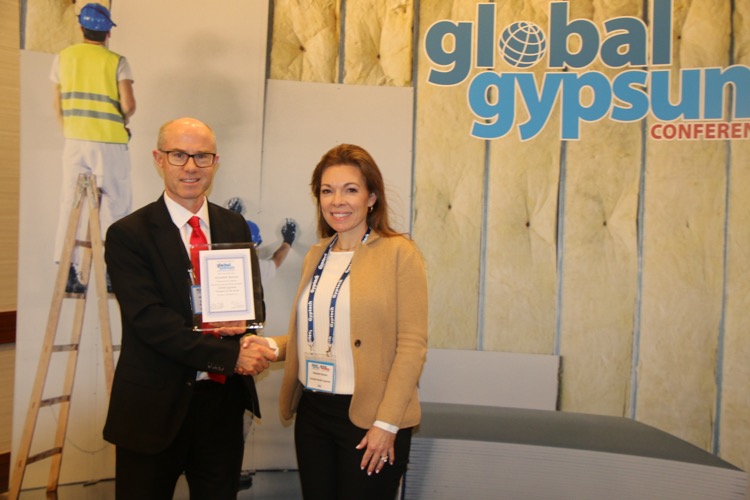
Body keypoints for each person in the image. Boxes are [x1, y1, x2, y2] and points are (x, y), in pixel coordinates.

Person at [103, 117, 277, 499]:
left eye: (202, 156)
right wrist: (230, 356)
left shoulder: (234, 226)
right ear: (158, 159)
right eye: (179, 155)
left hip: (221, 406)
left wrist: (245, 330)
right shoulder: (128, 235)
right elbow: (150, 321)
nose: (191, 167)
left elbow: (253, 300)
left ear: (215, 162)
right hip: (153, 409)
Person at [255, 144, 428, 499]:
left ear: (371, 197)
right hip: (315, 413)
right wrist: (270, 346)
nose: (337, 201)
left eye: (350, 189)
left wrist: (387, 423)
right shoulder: (317, 254)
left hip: (372, 417)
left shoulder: (399, 253)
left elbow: (412, 346)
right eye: (327, 191)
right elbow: (315, 331)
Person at [50, 3, 136, 293]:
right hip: (109, 143)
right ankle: (112, 271)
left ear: (81, 28)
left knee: (70, 204)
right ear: (108, 33)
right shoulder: (117, 61)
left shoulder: (63, 58)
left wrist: (70, 131)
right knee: (116, 204)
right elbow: (128, 105)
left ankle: (69, 270)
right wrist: (123, 121)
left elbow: (57, 105)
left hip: (74, 142)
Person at [225, 196, 298, 284]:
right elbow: (276, 261)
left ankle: (233, 218)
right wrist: (288, 241)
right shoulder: (256, 268)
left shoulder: (220, 258)